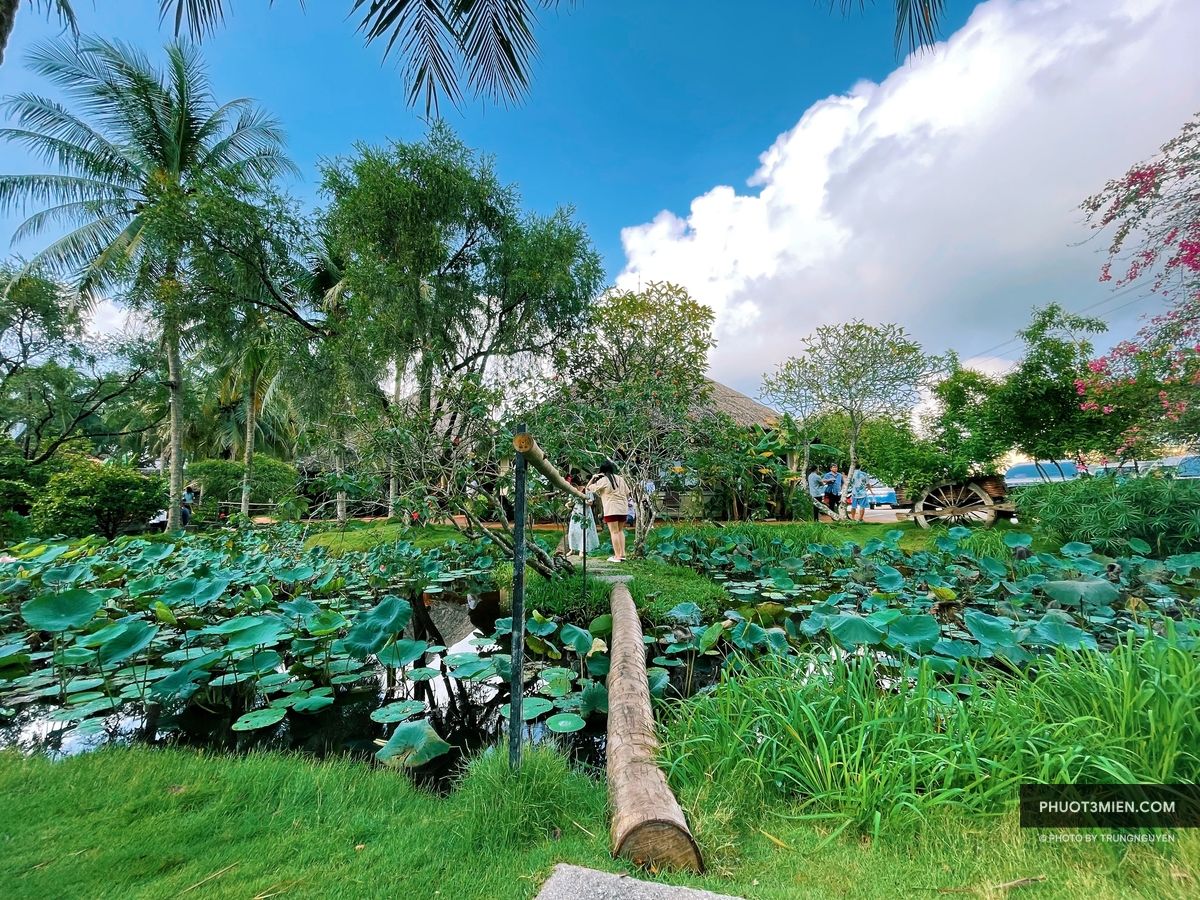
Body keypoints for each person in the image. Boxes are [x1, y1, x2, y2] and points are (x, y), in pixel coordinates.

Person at [585, 459, 630, 562]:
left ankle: (617, 556)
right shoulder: (620, 479)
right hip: (623, 508)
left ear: (602, 470)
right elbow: (628, 493)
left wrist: (593, 478)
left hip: (611, 509)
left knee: (614, 532)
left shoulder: (603, 480)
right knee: (620, 531)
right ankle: (622, 554)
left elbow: (588, 489)